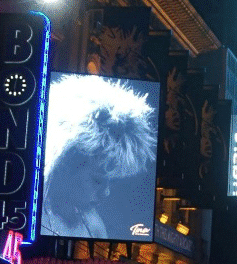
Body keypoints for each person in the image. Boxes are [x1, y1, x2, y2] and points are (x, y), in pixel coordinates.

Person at [40, 74, 157, 238]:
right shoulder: (30, 211)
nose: (106, 192)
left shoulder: (95, 227)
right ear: (64, 164)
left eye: (112, 182)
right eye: (97, 180)